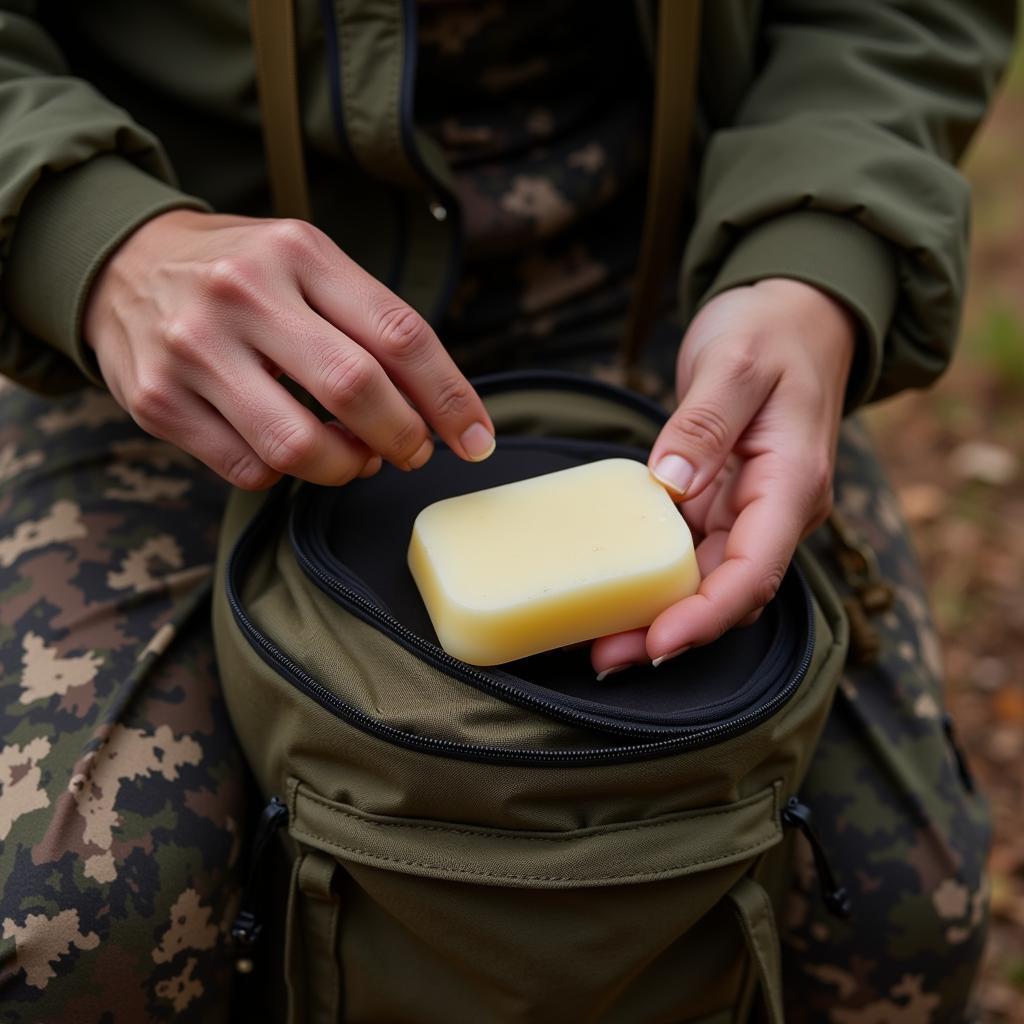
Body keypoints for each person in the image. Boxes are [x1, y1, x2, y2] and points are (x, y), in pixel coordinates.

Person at [0, 2, 1013, 1020]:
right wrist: (89, 231)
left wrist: (814, 259)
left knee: (905, 923)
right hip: (178, 314)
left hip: (673, 286)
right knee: (66, 936)